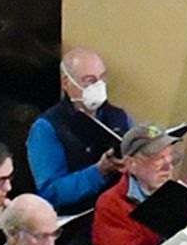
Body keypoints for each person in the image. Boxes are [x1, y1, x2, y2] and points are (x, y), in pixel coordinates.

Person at [23, 46, 135, 221]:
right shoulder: (47, 127)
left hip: (121, 213)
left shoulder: (119, 117)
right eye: (89, 80)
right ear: (66, 83)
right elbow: (51, 192)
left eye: (101, 78)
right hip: (78, 222)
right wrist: (99, 172)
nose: (98, 86)